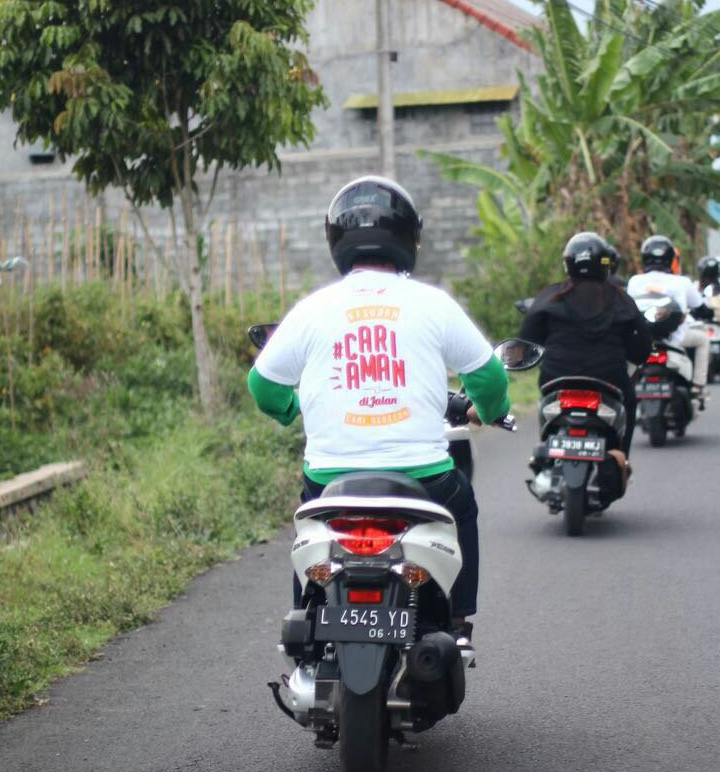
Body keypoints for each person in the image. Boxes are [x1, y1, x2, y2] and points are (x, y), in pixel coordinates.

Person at [247, 176, 510, 638]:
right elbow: (489, 378)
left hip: (330, 481)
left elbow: (263, 384)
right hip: (424, 479)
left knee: (311, 536)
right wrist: (486, 412)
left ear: (335, 239)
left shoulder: (312, 308)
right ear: (411, 237)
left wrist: (292, 410)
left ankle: (305, 623)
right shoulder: (434, 304)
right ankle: (457, 622)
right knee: (463, 506)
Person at [518, 232, 650, 485]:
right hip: (609, 379)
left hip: (557, 377)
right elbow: (642, 347)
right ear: (606, 263)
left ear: (568, 263)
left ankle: (546, 447)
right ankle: (622, 460)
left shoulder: (550, 296)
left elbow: (527, 341)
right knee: (630, 401)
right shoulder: (622, 298)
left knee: (545, 404)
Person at [627, 235, 713, 395]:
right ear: (670, 258)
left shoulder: (634, 281)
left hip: (640, 338)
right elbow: (701, 308)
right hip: (675, 338)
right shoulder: (682, 282)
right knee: (703, 339)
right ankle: (698, 385)